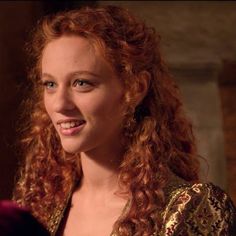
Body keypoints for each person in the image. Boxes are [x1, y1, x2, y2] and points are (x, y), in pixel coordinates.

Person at [13, 5, 235, 236]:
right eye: (50, 84)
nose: (59, 104)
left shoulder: (189, 208)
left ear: (136, 88)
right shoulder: (38, 205)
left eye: (81, 83)